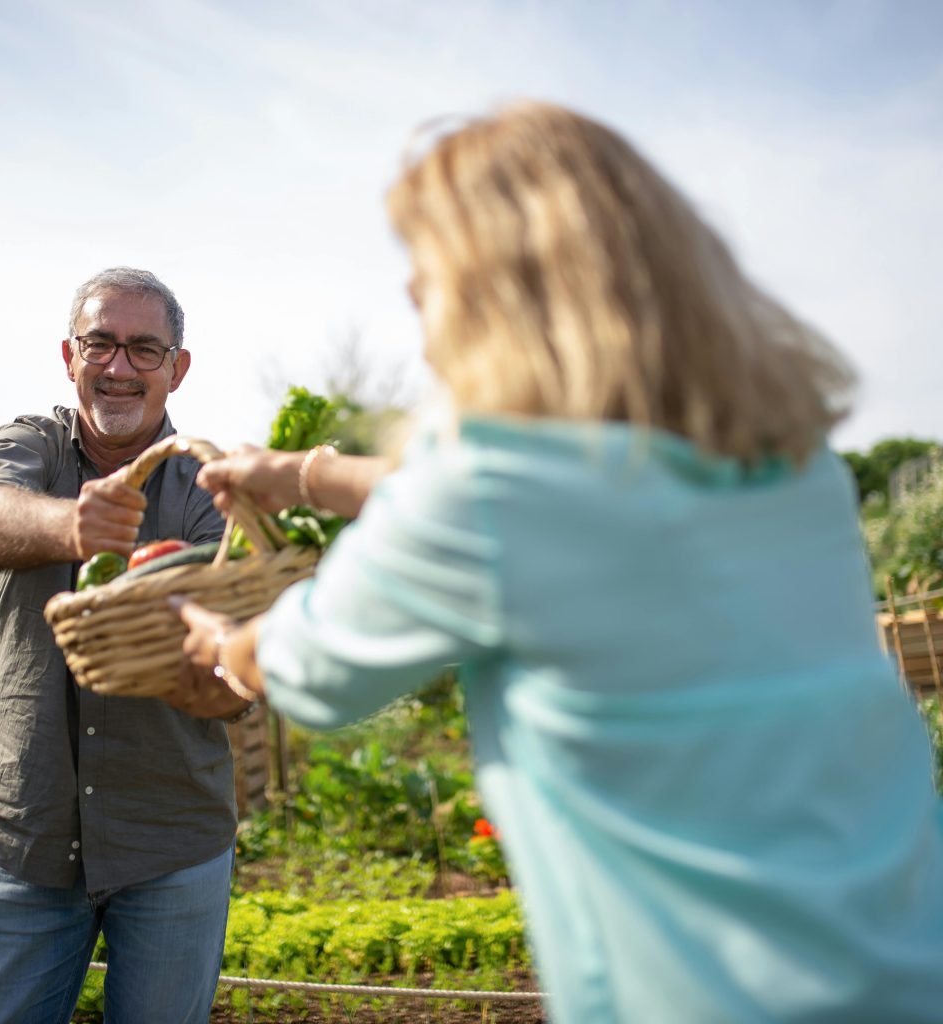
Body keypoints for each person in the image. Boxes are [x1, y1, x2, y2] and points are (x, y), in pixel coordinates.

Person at [175, 102, 943, 1023]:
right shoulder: (789, 467)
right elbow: (514, 503)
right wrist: (299, 476)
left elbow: (312, 667)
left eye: (427, 274)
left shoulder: (490, 500)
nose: (417, 304)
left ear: (490, 290)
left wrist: (222, 641)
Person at [0, 267, 257, 1024]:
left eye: (144, 349)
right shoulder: (31, 445)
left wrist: (217, 679)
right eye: (100, 344)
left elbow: (235, 671)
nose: (118, 368)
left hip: (171, 837)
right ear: (69, 355)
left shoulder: (212, 486)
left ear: (177, 368)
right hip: (27, 832)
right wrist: (72, 527)